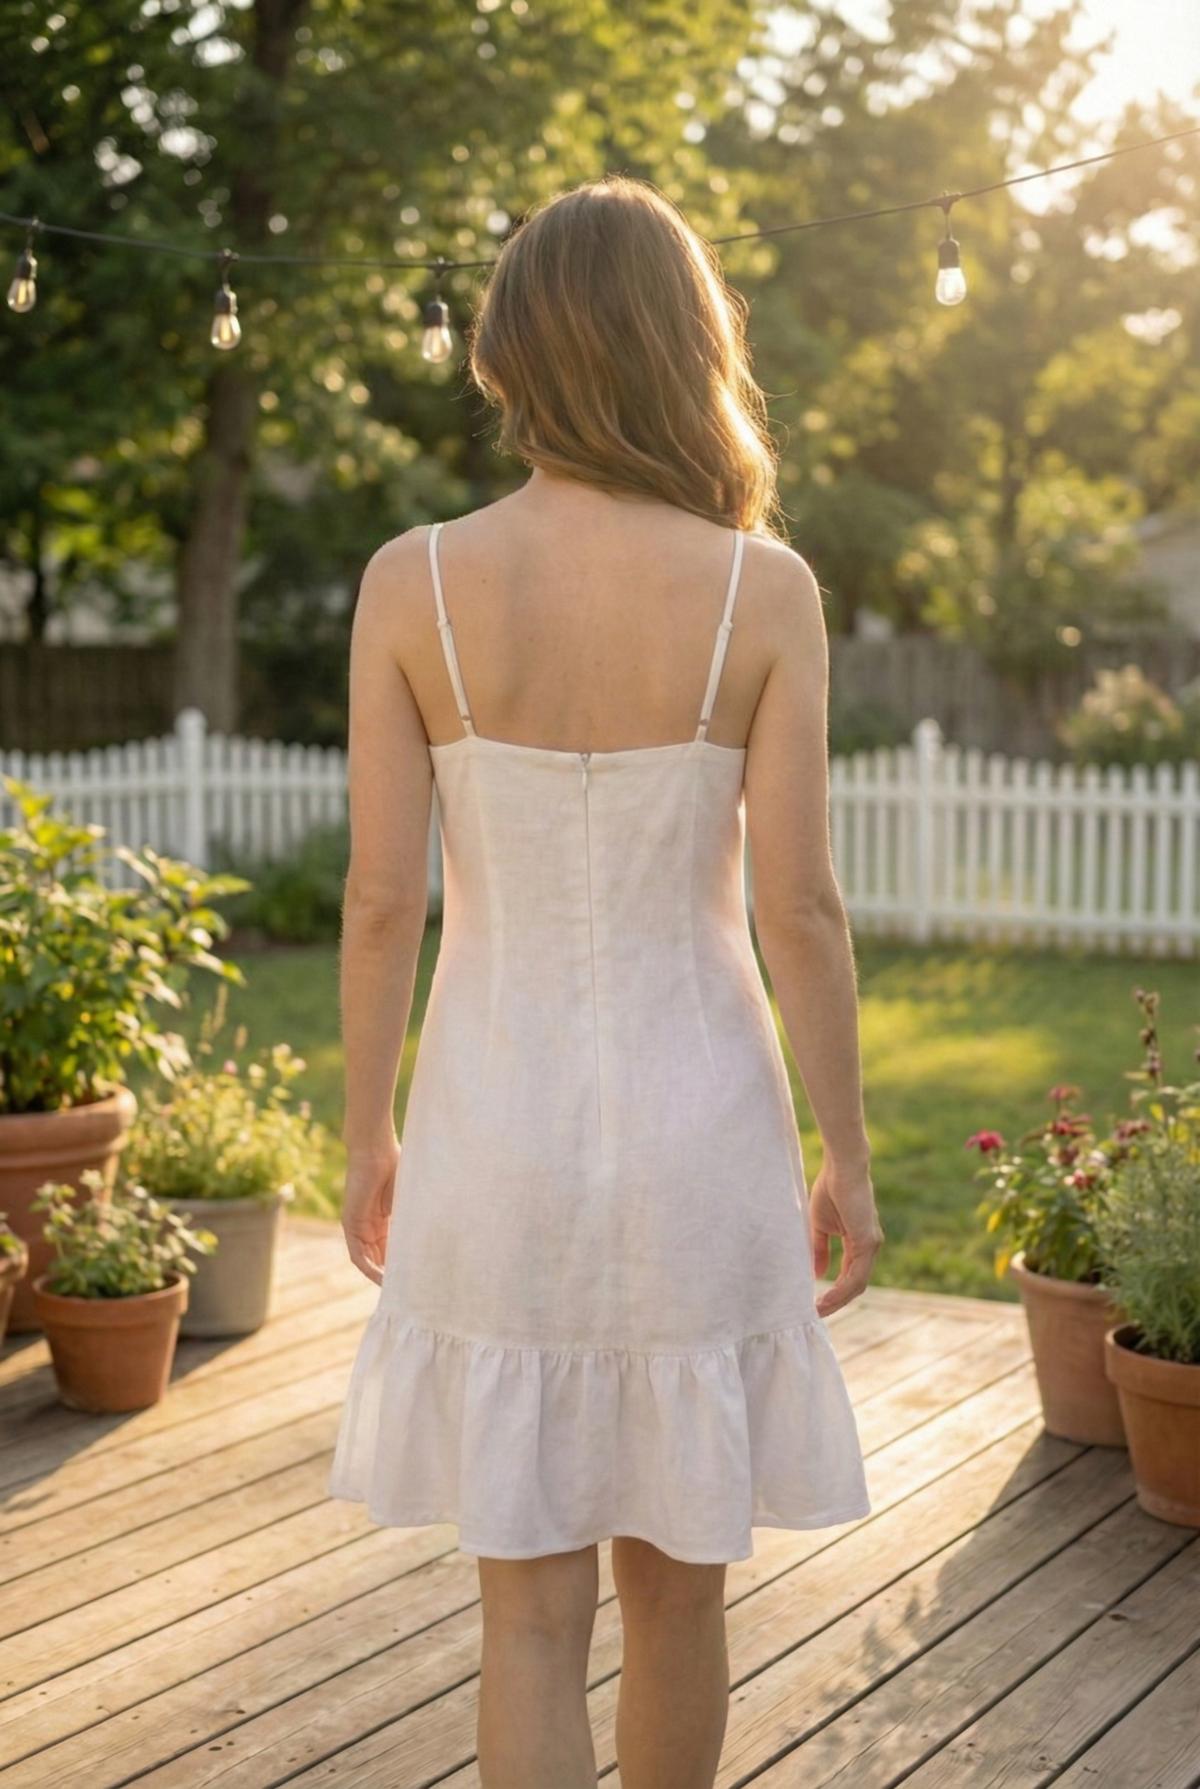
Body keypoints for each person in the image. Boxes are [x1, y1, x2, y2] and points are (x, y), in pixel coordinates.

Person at [329, 174, 882, 1789]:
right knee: (683, 1603)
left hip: (495, 1133)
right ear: (681, 349)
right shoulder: (760, 590)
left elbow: (379, 901)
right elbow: (801, 906)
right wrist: (845, 1151)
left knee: (527, 1619)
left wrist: (365, 1131)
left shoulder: (410, 581)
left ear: (515, 356)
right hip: (701, 1129)